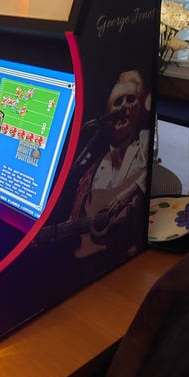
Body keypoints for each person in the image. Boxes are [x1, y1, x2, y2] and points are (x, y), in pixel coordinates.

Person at [69, 69, 151, 259]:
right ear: (107, 117)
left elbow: (152, 171)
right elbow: (79, 219)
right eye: (118, 102)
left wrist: (126, 194)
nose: (124, 107)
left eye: (131, 99)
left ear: (140, 107)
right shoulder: (93, 170)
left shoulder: (145, 143)